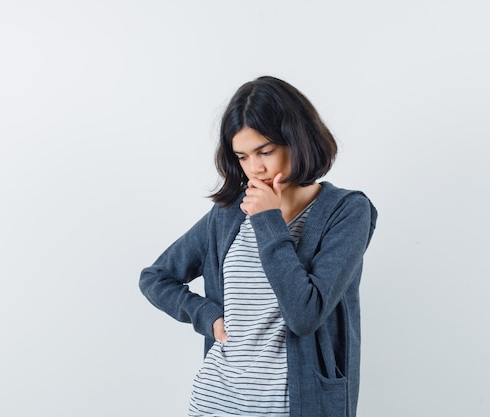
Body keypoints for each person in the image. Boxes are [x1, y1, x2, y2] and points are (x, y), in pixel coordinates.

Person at [139, 75, 378, 417]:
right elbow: (155, 278)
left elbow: (304, 315)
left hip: (297, 406)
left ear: (298, 140)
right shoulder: (227, 215)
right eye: (243, 156)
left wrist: (268, 220)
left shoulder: (346, 212)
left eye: (265, 151)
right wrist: (207, 316)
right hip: (217, 401)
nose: (255, 168)